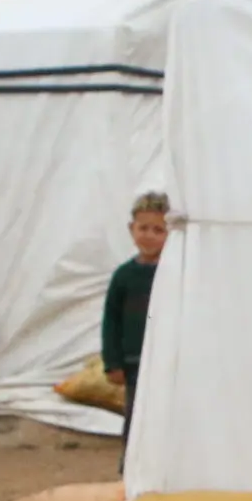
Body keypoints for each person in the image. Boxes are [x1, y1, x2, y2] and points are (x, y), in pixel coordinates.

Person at [102, 190, 169, 456]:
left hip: (167, 361)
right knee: (136, 417)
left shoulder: (173, 273)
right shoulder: (124, 276)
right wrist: (112, 362)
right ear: (131, 229)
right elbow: (111, 321)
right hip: (134, 362)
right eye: (143, 228)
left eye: (158, 230)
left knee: (165, 416)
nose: (149, 235)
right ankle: (131, 466)